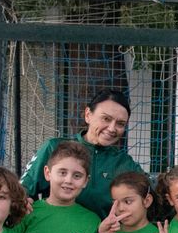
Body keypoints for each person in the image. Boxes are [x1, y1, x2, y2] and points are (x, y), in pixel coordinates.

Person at [20, 88, 144, 218]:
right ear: (88, 115)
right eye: (106, 119)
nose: (112, 128)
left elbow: (151, 194)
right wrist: (22, 201)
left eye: (120, 123)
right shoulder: (54, 147)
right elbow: (23, 191)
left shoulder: (124, 162)